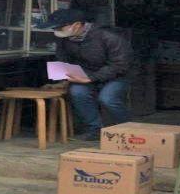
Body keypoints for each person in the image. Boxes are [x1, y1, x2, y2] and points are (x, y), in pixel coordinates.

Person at [44, 8, 132, 141]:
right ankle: (95, 130)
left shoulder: (109, 37)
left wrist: (91, 78)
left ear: (77, 25)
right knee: (77, 93)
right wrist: (64, 80)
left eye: (59, 27)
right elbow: (64, 60)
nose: (56, 31)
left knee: (108, 99)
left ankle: (129, 129)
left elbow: (120, 65)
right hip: (84, 76)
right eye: (54, 28)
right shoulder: (64, 39)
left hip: (116, 76)